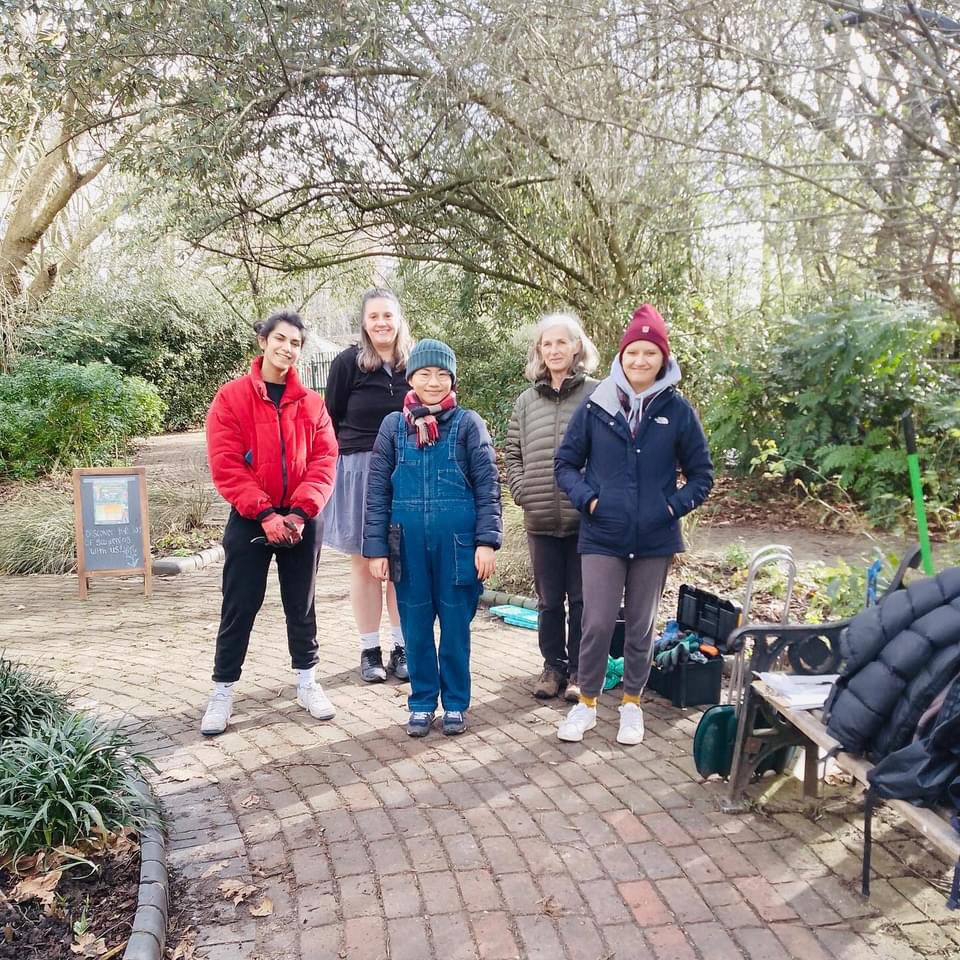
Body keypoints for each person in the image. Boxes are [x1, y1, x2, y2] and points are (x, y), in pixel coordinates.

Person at [554, 305, 713, 745]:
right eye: (632, 353)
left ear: (663, 358)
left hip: (654, 539)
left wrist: (668, 508)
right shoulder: (597, 405)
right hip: (602, 534)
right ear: (620, 357)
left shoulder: (677, 411)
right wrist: (590, 501)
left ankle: (631, 706)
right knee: (598, 622)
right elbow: (565, 464)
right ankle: (586, 706)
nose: (640, 361)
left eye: (649, 353)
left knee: (641, 626)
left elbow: (703, 476)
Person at [201, 311, 339, 736]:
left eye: (295, 343)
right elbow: (225, 463)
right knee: (240, 604)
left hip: (301, 519)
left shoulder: (312, 404)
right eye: (280, 339)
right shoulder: (231, 397)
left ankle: (307, 680)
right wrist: (264, 513)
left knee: (302, 603)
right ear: (263, 341)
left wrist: (299, 512)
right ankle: (223, 690)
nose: (287, 348)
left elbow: (324, 460)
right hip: (250, 519)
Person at [363, 339, 502, 737]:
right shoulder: (393, 427)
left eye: (443, 374)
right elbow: (377, 493)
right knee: (417, 627)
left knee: (456, 628)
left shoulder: (468, 424)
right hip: (406, 545)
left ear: (452, 379)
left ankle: (456, 702)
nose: (434, 382)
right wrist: (376, 549)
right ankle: (422, 702)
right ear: (411, 378)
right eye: (425, 373)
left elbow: (488, 485)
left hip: (458, 548)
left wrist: (486, 541)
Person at [505, 313, 599, 702]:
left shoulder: (597, 394)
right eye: (548, 343)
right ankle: (552, 668)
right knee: (548, 601)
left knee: (582, 600)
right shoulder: (526, 401)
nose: (555, 349)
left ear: (577, 347)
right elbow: (512, 453)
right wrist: (523, 490)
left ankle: (578, 671)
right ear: (539, 351)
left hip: (585, 519)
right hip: (540, 517)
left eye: (562, 342)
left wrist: (595, 494)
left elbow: (610, 452)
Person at [322, 288, 413, 683]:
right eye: (373, 316)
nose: (381, 323)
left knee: (400, 567)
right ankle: (369, 650)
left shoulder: (415, 364)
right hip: (359, 469)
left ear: (399, 319)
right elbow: (328, 419)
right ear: (364, 322)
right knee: (364, 564)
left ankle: (402, 648)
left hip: (407, 472)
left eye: (387, 315)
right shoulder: (348, 364)